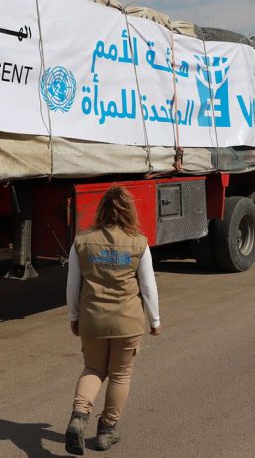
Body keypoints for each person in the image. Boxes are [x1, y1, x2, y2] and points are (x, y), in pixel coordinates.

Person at [65, 185, 161, 455]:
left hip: (92, 320)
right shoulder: (139, 243)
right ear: (129, 211)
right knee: (120, 375)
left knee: (93, 369)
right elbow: (148, 286)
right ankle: (107, 431)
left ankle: (78, 417)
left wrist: (73, 316)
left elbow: (73, 284)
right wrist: (154, 320)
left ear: (101, 209)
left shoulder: (82, 242)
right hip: (127, 323)